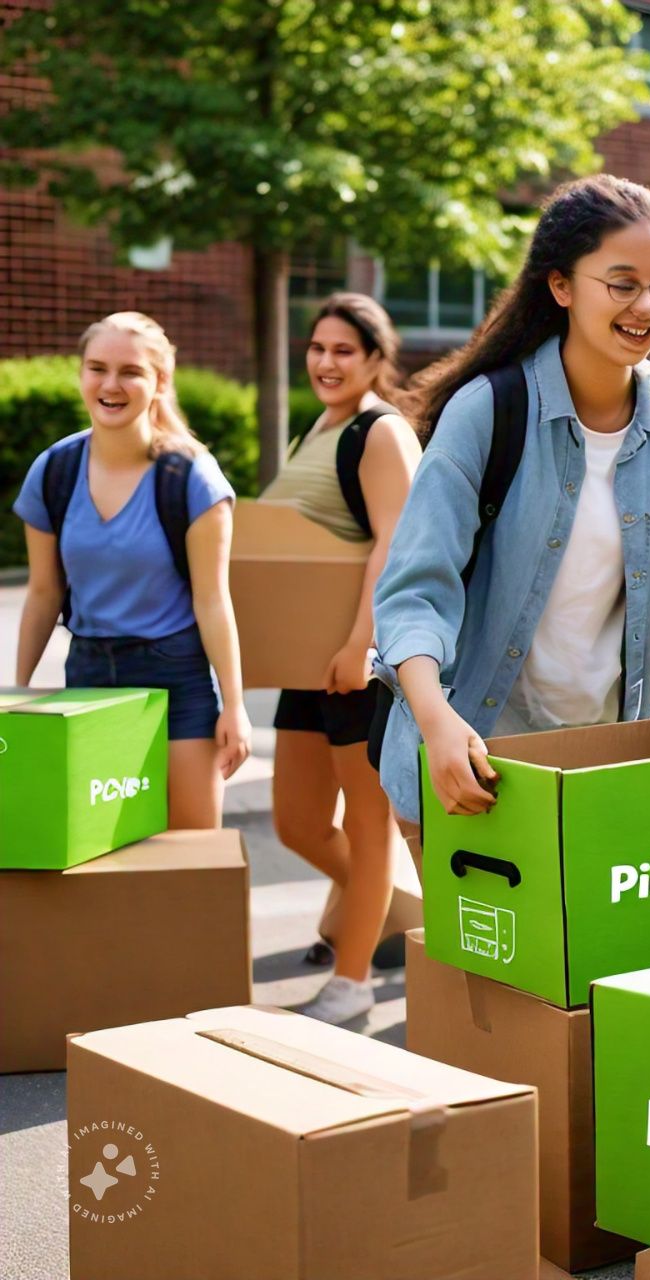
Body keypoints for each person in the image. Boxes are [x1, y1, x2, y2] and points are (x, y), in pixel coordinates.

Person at [373, 173, 650, 838]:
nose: (646, 305)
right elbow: (416, 593)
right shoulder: (490, 411)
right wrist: (435, 723)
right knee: (481, 947)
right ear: (561, 286)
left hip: (602, 764)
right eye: (622, 283)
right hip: (473, 762)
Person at [13, 311, 251, 826]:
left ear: (159, 382)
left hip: (177, 678)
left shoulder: (191, 477)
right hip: (88, 676)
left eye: (130, 372)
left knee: (188, 853)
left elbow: (213, 600)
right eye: (97, 368)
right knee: (95, 851)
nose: (110, 385)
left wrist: (235, 704)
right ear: (81, 375)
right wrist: (20, 690)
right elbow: (43, 592)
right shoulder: (53, 471)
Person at [261, 293, 422, 1024]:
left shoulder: (380, 432)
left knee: (365, 824)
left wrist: (362, 642)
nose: (326, 362)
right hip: (306, 661)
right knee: (295, 821)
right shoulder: (317, 429)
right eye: (318, 348)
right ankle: (397, 906)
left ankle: (352, 982)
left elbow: (394, 545)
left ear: (376, 360)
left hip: (360, 662)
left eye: (344, 351)